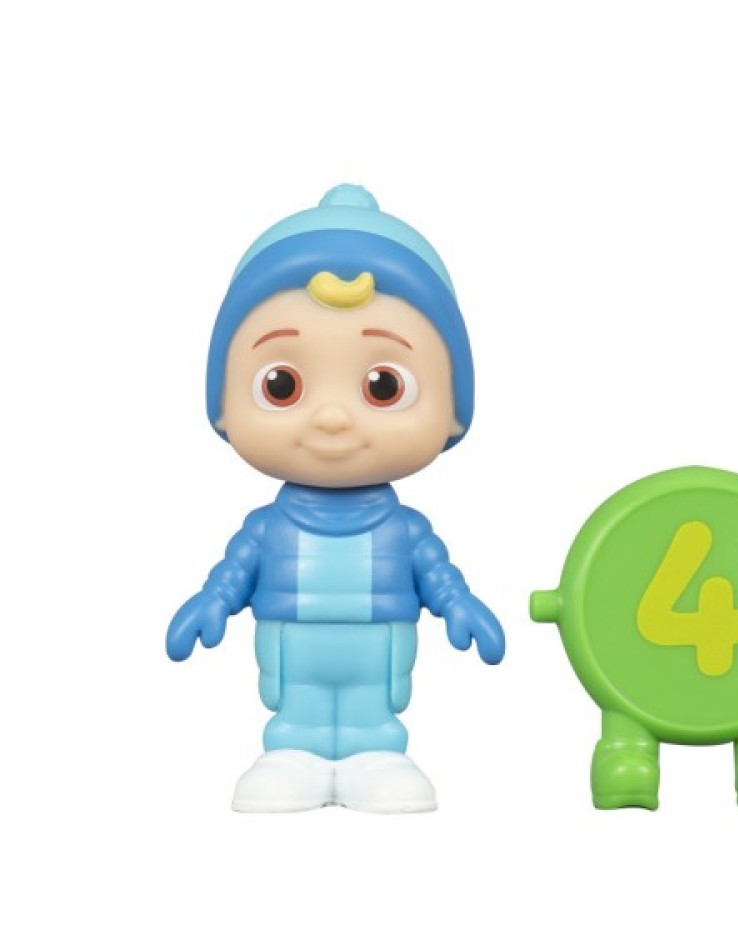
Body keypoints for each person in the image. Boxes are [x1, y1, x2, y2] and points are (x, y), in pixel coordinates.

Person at [166, 184, 504, 814]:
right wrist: (212, 601)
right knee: (295, 706)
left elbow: (436, 574)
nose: (331, 417)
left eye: (382, 386)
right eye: (282, 385)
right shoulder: (267, 529)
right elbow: (236, 571)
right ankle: (291, 752)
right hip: (290, 639)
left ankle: (378, 754)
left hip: (381, 640)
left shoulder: (406, 531)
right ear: (223, 405)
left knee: (376, 707)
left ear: (454, 412)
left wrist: (460, 605)